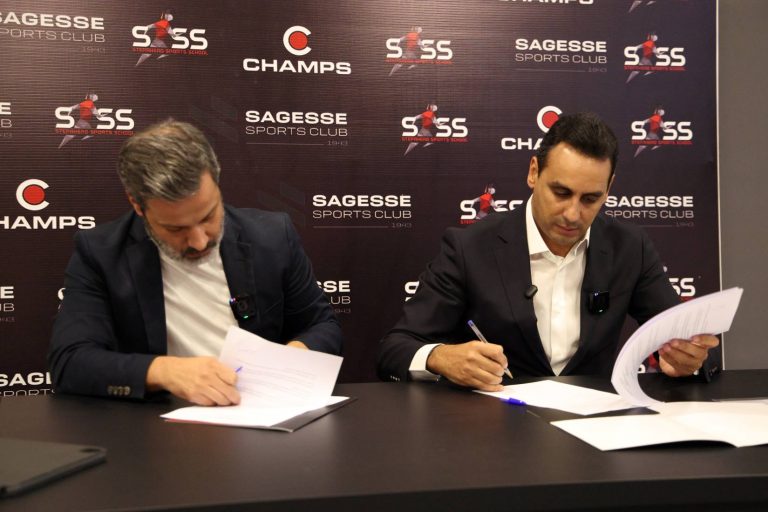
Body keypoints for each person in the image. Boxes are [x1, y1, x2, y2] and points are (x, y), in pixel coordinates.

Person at [378, 112, 718, 391]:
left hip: (595, 431)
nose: (573, 213)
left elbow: (687, 342)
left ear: (609, 188)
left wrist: (688, 359)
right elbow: (395, 349)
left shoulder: (629, 248)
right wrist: (439, 357)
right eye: (561, 192)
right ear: (533, 173)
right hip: (493, 432)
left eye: (590, 199)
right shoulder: (470, 248)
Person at [49, 120, 342, 405]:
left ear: (217, 180)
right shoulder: (101, 254)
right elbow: (70, 362)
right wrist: (164, 371)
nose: (200, 241)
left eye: (208, 216)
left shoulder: (272, 236)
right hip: (157, 423)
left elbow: (321, 326)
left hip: (258, 412)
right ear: (137, 205)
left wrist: (292, 357)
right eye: (176, 229)